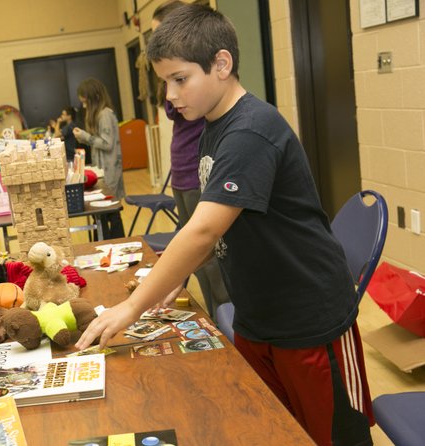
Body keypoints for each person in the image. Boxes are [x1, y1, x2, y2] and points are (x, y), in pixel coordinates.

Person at [77, 5, 373, 446]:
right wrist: (174, 277)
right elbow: (215, 224)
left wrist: (132, 307)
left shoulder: (250, 130)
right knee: (274, 428)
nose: (170, 95)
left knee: (334, 437)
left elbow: (204, 230)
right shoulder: (211, 125)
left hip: (310, 317)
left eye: (180, 79)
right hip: (260, 312)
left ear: (221, 64)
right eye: (165, 82)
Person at [151, 0, 231, 321]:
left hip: (200, 178)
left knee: (215, 265)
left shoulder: (240, 130)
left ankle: (226, 324)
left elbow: (205, 239)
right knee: (199, 263)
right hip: (185, 174)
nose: (171, 94)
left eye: (179, 79)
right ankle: (218, 322)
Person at [73, 78, 126, 239]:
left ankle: (113, 242)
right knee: (103, 212)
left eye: (85, 102)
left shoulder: (105, 114)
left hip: (110, 171)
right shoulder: (101, 114)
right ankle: (102, 242)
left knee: (110, 211)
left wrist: (85, 136)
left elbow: (107, 144)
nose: (84, 106)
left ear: (93, 98)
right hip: (104, 169)